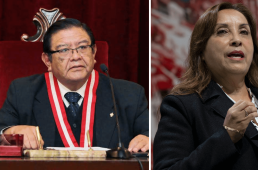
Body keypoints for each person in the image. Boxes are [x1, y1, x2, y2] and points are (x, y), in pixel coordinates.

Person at [154, 2, 258, 170]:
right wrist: (226, 136)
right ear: (202, 50)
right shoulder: (182, 107)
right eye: (222, 31)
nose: (236, 40)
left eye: (244, 32)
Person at [0, 18, 149, 153]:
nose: (76, 56)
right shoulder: (22, 91)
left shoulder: (130, 94)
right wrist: (10, 132)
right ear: (47, 60)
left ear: (94, 52)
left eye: (83, 47)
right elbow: (2, 130)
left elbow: (152, 133)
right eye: (64, 50)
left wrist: (147, 139)